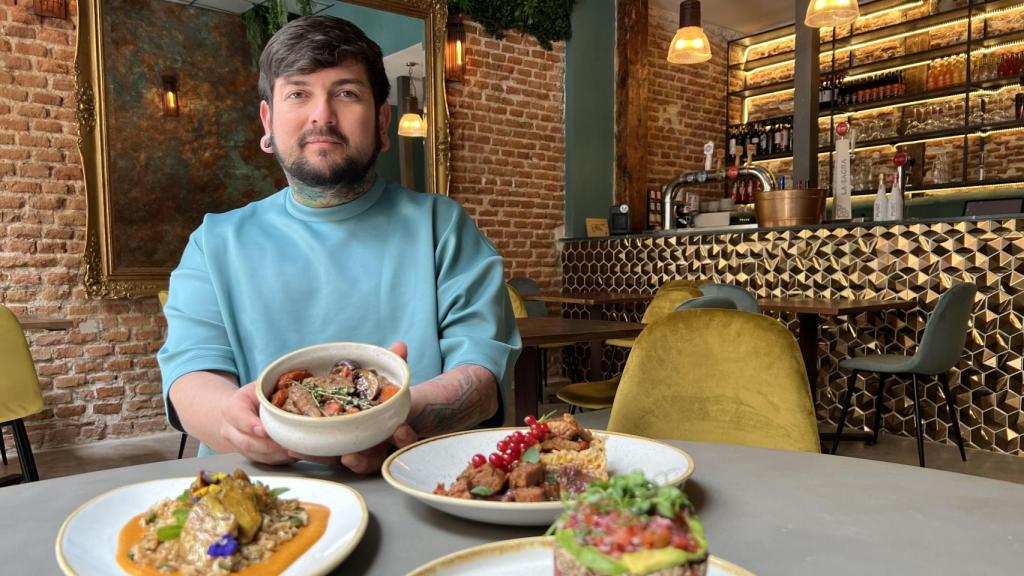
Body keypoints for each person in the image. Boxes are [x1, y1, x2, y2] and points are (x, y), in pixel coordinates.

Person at [157, 15, 521, 474]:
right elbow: (191, 376)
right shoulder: (214, 242)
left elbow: (481, 376)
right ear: (267, 122)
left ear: (383, 121)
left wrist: (387, 417)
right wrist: (238, 425)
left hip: (423, 482)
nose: (322, 115)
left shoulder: (442, 228)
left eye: (346, 93)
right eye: (298, 93)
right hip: (263, 490)